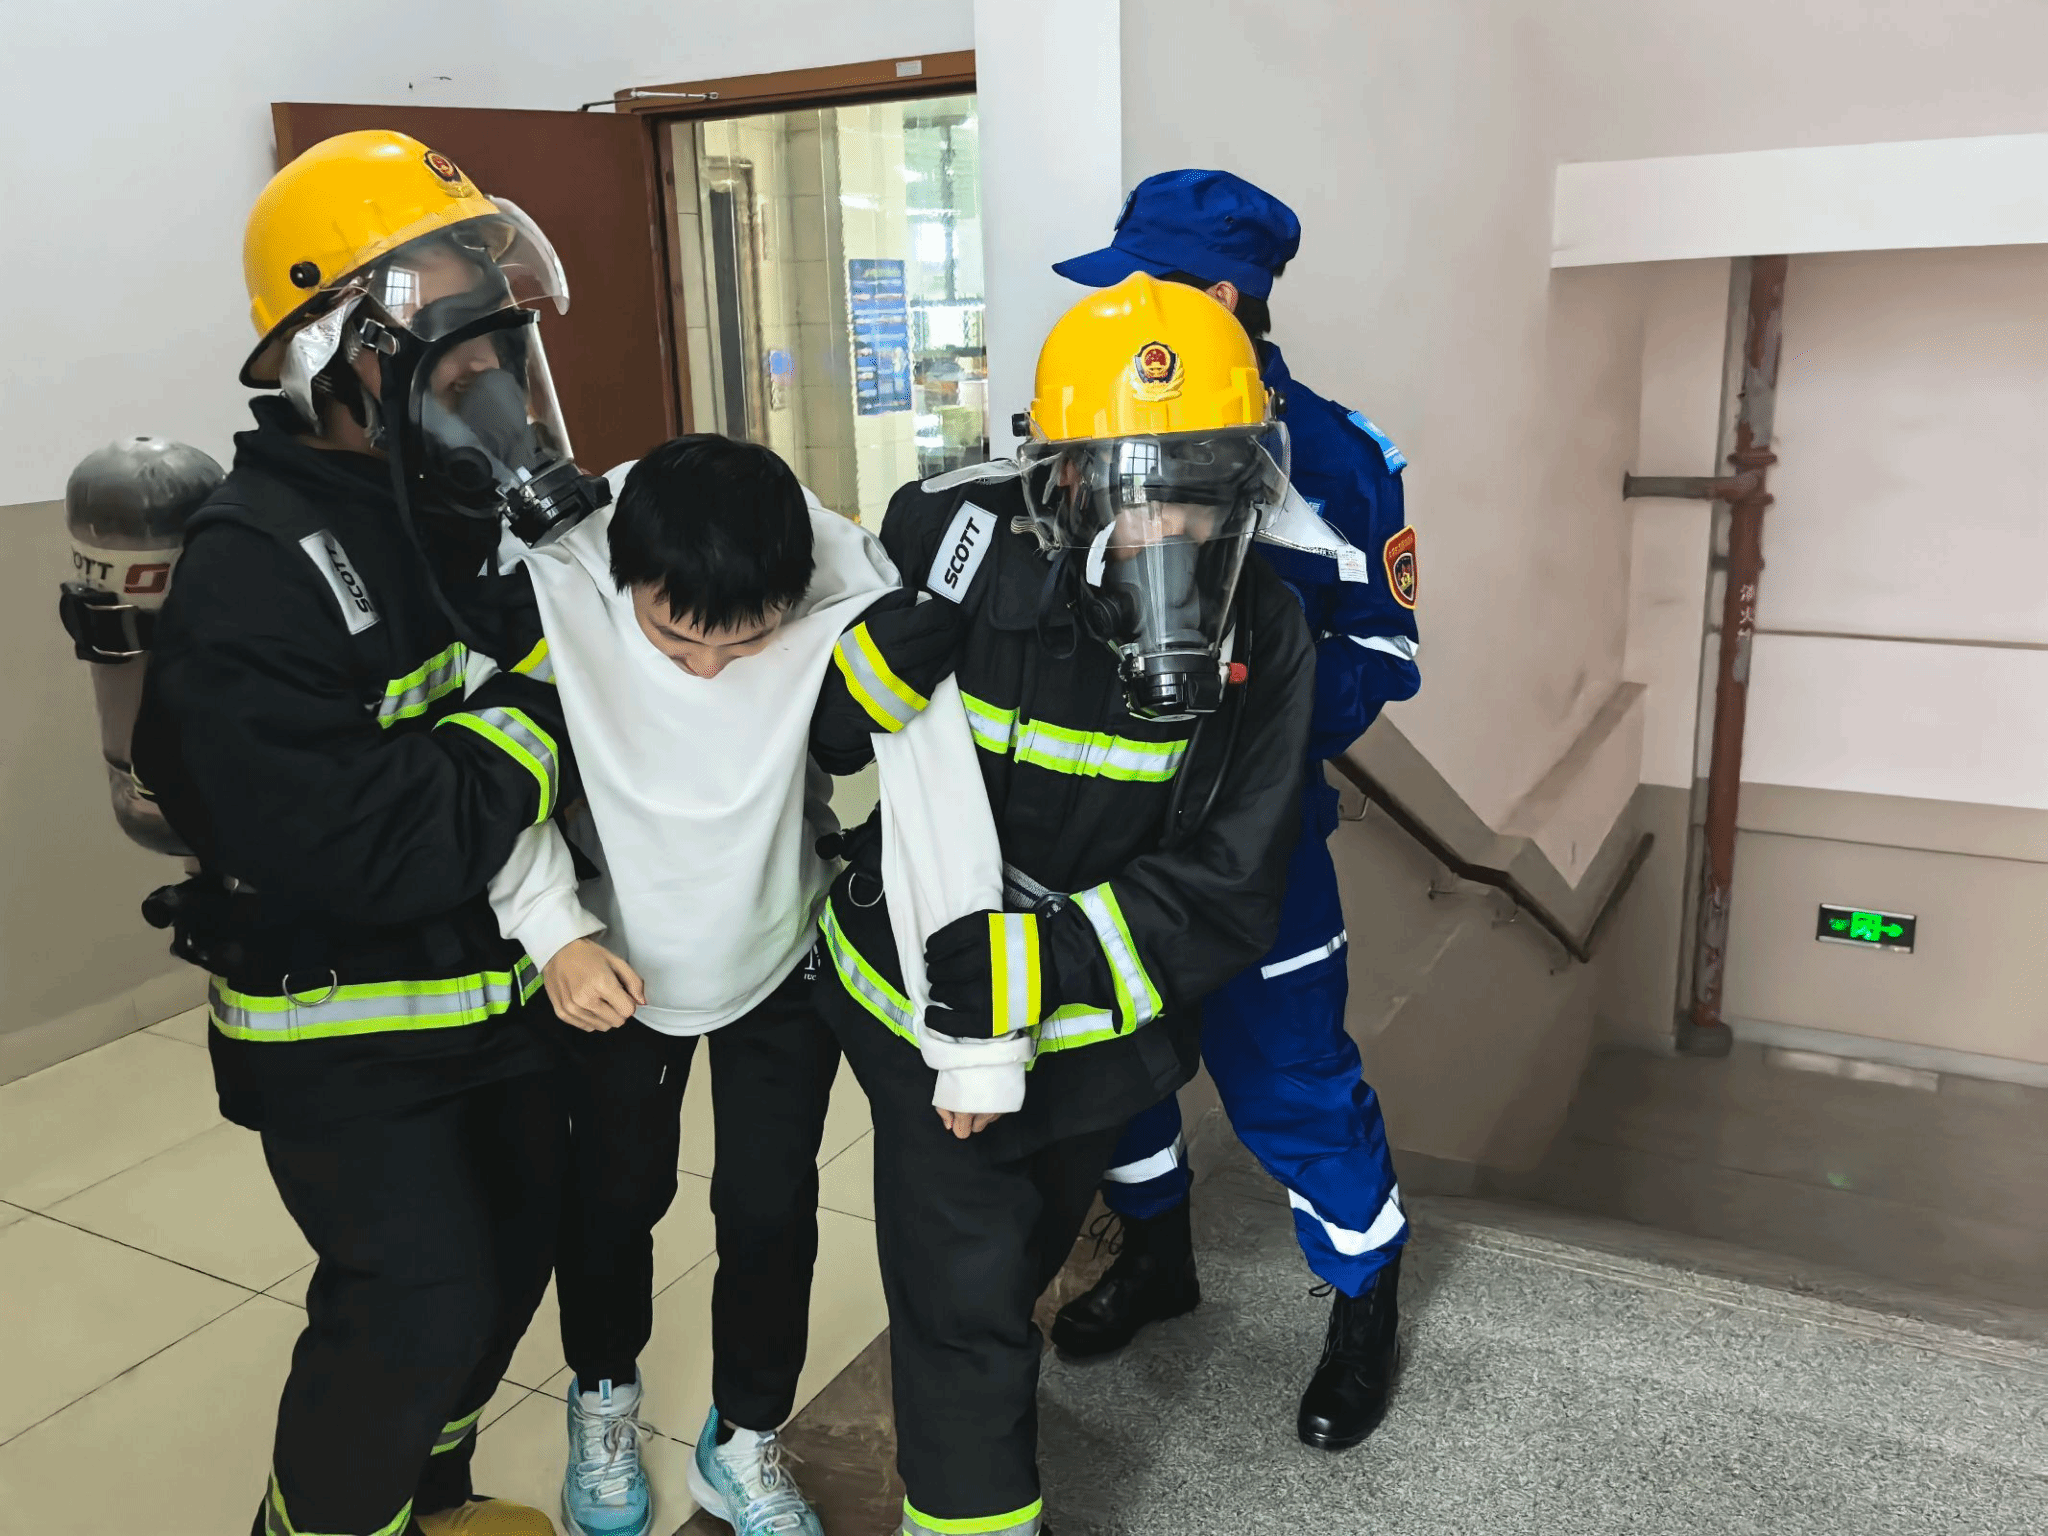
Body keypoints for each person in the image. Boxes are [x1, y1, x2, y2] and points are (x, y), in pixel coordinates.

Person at [131, 130, 595, 1536]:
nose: (493, 383)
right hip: (342, 1031)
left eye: (498, 348)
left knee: (513, 1262)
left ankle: (429, 1498)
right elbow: (382, 842)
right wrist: (547, 703)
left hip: (493, 1003)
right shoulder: (253, 569)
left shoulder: (456, 512)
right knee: (412, 1304)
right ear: (336, 358)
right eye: (457, 357)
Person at [810, 272, 1316, 1536]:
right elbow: (813, 738)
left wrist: (1044, 964)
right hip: (925, 1006)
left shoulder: (1268, 634)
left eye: (1198, 489)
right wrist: (850, 689)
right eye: (1135, 491)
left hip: (1093, 1032)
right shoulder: (958, 548)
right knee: (964, 1302)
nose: (1167, 527)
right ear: (1065, 481)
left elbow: (1233, 883)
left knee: (1021, 1255)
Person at [1045, 169, 1422, 1451]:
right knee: (1112, 1063)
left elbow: (1385, 653)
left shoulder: (1342, 460)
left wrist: (1256, 719)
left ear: (1216, 298)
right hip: (1104, 830)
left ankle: (1362, 1303)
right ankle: (1155, 1259)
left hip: (1259, 844)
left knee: (1290, 1078)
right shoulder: (1099, 415)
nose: (1110, 310)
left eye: (1135, 286)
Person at [479, 437, 898, 1536]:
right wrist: (553, 932)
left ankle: (744, 1437)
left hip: (780, 950)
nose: (708, 669)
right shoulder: (558, 581)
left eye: (745, 643)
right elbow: (491, 774)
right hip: (612, 958)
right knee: (615, 1196)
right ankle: (602, 1399)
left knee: (770, 1206)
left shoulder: (847, 582)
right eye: (672, 640)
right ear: (628, 581)